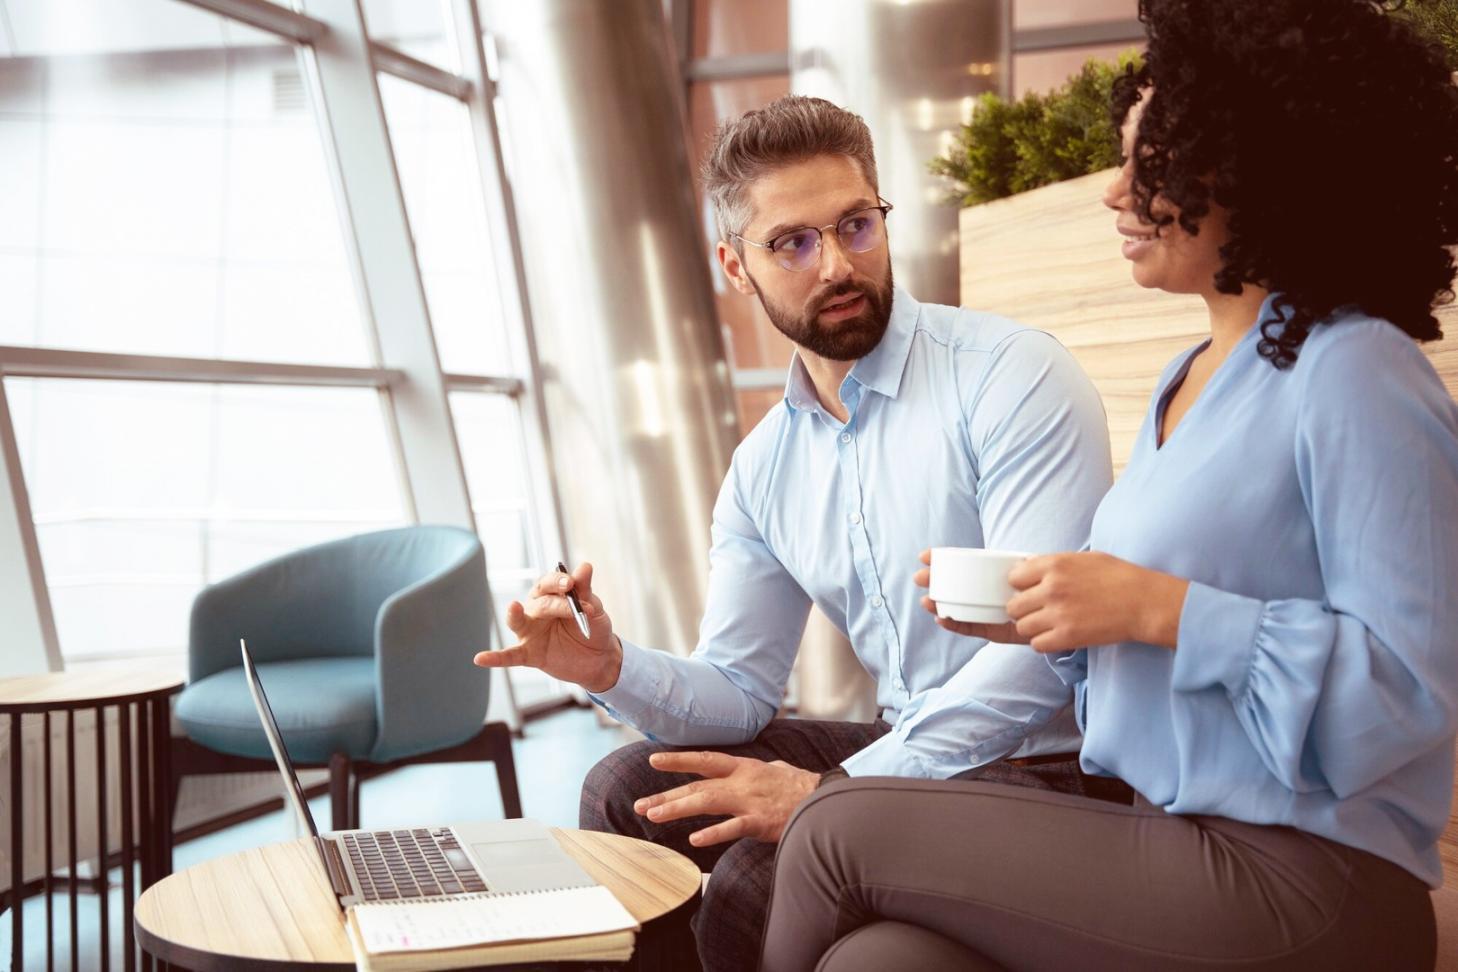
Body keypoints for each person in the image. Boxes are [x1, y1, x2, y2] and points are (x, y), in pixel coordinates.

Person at [758, 1, 1458, 969]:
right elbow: (1172, 657)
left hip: (1314, 873)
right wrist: (1064, 624)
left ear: (1262, 168)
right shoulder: (1189, 378)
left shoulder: (1358, 371)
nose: (1114, 191)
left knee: (835, 830)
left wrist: (1157, 607)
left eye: (1153, 164)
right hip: (1172, 832)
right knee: (882, 960)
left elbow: (1412, 697)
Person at [474, 95, 1115, 970]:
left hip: (1052, 770)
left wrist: (835, 795)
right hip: (912, 751)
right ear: (736, 267)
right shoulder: (764, 468)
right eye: (793, 243)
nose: (837, 265)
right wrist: (609, 669)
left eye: (856, 225)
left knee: (752, 874)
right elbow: (740, 688)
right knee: (628, 788)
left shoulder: (1010, 378)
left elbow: (1043, 658)